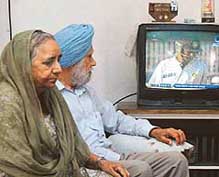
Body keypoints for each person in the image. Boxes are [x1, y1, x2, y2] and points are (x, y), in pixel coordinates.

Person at [55, 24, 189, 177]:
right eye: (89, 57)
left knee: (176, 161)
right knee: (140, 169)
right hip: (89, 167)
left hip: (114, 157)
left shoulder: (86, 92)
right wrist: (100, 162)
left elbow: (117, 121)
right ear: (73, 61)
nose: (94, 63)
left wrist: (154, 131)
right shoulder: (52, 98)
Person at [0, 30, 129, 177]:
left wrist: (101, 163)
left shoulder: (50, 93)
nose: (58, 69)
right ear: (23, 65)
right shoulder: (7, 103)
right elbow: (18, 165)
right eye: (48, 62)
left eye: (58, 60)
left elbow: (75, 147)